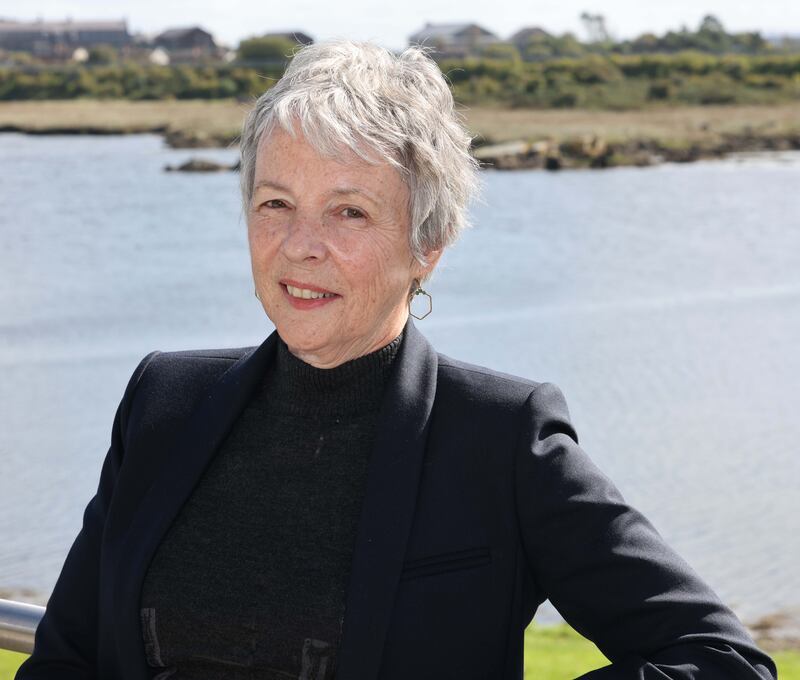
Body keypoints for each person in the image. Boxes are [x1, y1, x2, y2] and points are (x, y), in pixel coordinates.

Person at [17, 41, 776, 680]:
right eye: (275, 203)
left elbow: (722, 660)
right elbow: (66, 659)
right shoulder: (162, 402)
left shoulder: (501, 439)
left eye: (349, 211)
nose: (300, 245)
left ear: (427, 247)